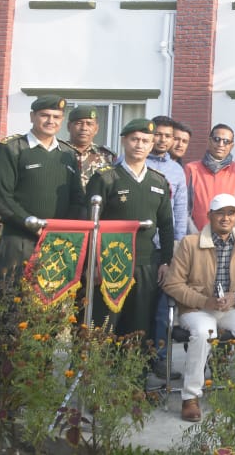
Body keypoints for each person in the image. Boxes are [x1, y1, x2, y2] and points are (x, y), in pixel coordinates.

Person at [162, 194, 235, 422]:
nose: (225, 218)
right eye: (220, 213)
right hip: (197, 309)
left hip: (230, 306)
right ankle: (190, 397)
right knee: (204, 332)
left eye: (230, 213)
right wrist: (203, 301)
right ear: (209, 216)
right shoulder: (190, 243)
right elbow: (172, 284)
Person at [86, 118, 175, 342]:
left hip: (146, 263)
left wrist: (165, 261)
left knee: (139, 325)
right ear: (124, 141)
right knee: (105, 322)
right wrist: (93, 264)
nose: (140, 145)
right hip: (110, 261)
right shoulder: (106, 178)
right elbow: (91, 224)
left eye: (146, 141)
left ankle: (133, 376)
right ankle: (97, 374)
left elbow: (166, 225)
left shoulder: (159, 182)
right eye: (135, 139)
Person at [0, 95, 84, 293]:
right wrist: (29, 222)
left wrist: (64, 229)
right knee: (13, 306)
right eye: (45, 115)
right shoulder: (12, 148)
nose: (51, 121)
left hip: (57, 241)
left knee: (52, 308)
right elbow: (0, 197)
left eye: (57, 117)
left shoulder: (68, 154)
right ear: (32, 116)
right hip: (19, 239)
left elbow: (77, 198)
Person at [146, 115, 190, 380]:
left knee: (163, 310)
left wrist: (174, 250)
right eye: (158, 134)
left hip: (165, 249)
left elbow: (180, 212)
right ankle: (133, 357)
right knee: (137, 308)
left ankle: (159, 359)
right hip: (136, 247)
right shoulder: (131, 161)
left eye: (167, 136)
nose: (162, 140)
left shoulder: (176, 170)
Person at [184, 124, 235, 233]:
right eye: (217, 139)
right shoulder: (191, 169)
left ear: (231, 146)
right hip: (196, 237)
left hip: (228, 238)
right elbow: (184, 207)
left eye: (226, 141)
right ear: (209, 141)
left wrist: (232, 233)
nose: (221, 144)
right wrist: (194, 235)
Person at [60, 105, 114, 187]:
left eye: (89, 124)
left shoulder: (107, 156)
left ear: (96, 129)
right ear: (68, 126)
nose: (84, 128)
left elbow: (112, 186)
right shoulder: (58, 151)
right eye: (79, 123)